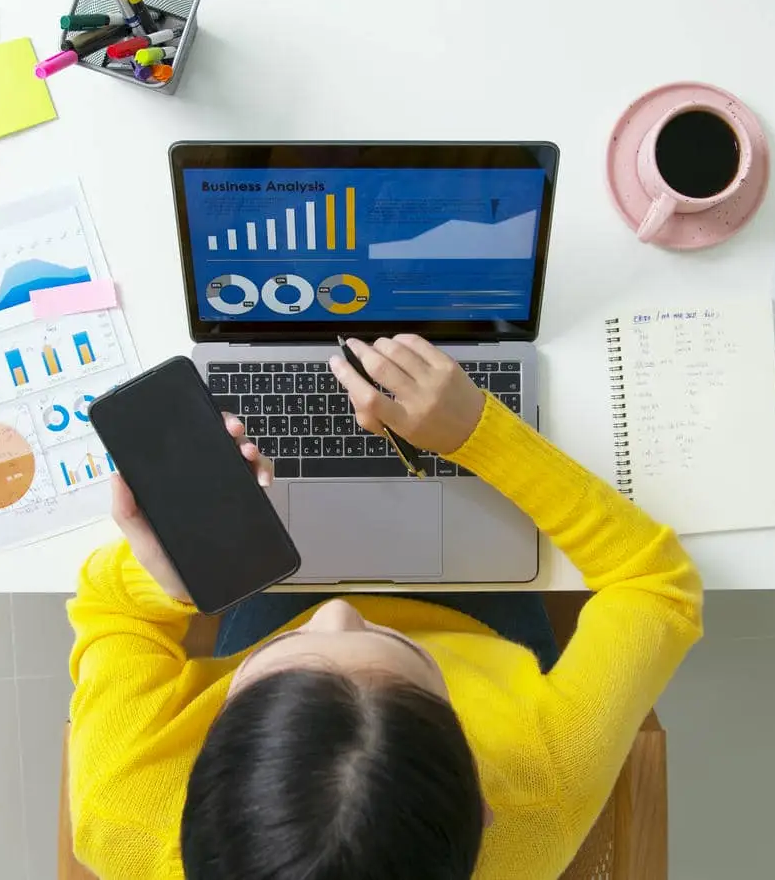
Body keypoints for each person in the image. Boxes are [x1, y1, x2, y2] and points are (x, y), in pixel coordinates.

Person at [65, 335, 703, 880]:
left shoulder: (122, 806)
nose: (337, 609)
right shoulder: (538, 795)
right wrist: (479, 434)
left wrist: (180, 574)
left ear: (196, 777)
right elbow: (657, 587)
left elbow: (113, 615)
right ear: (481, 802)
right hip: (481, 622)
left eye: (274, 677)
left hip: (260, 592)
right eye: (399, 655)